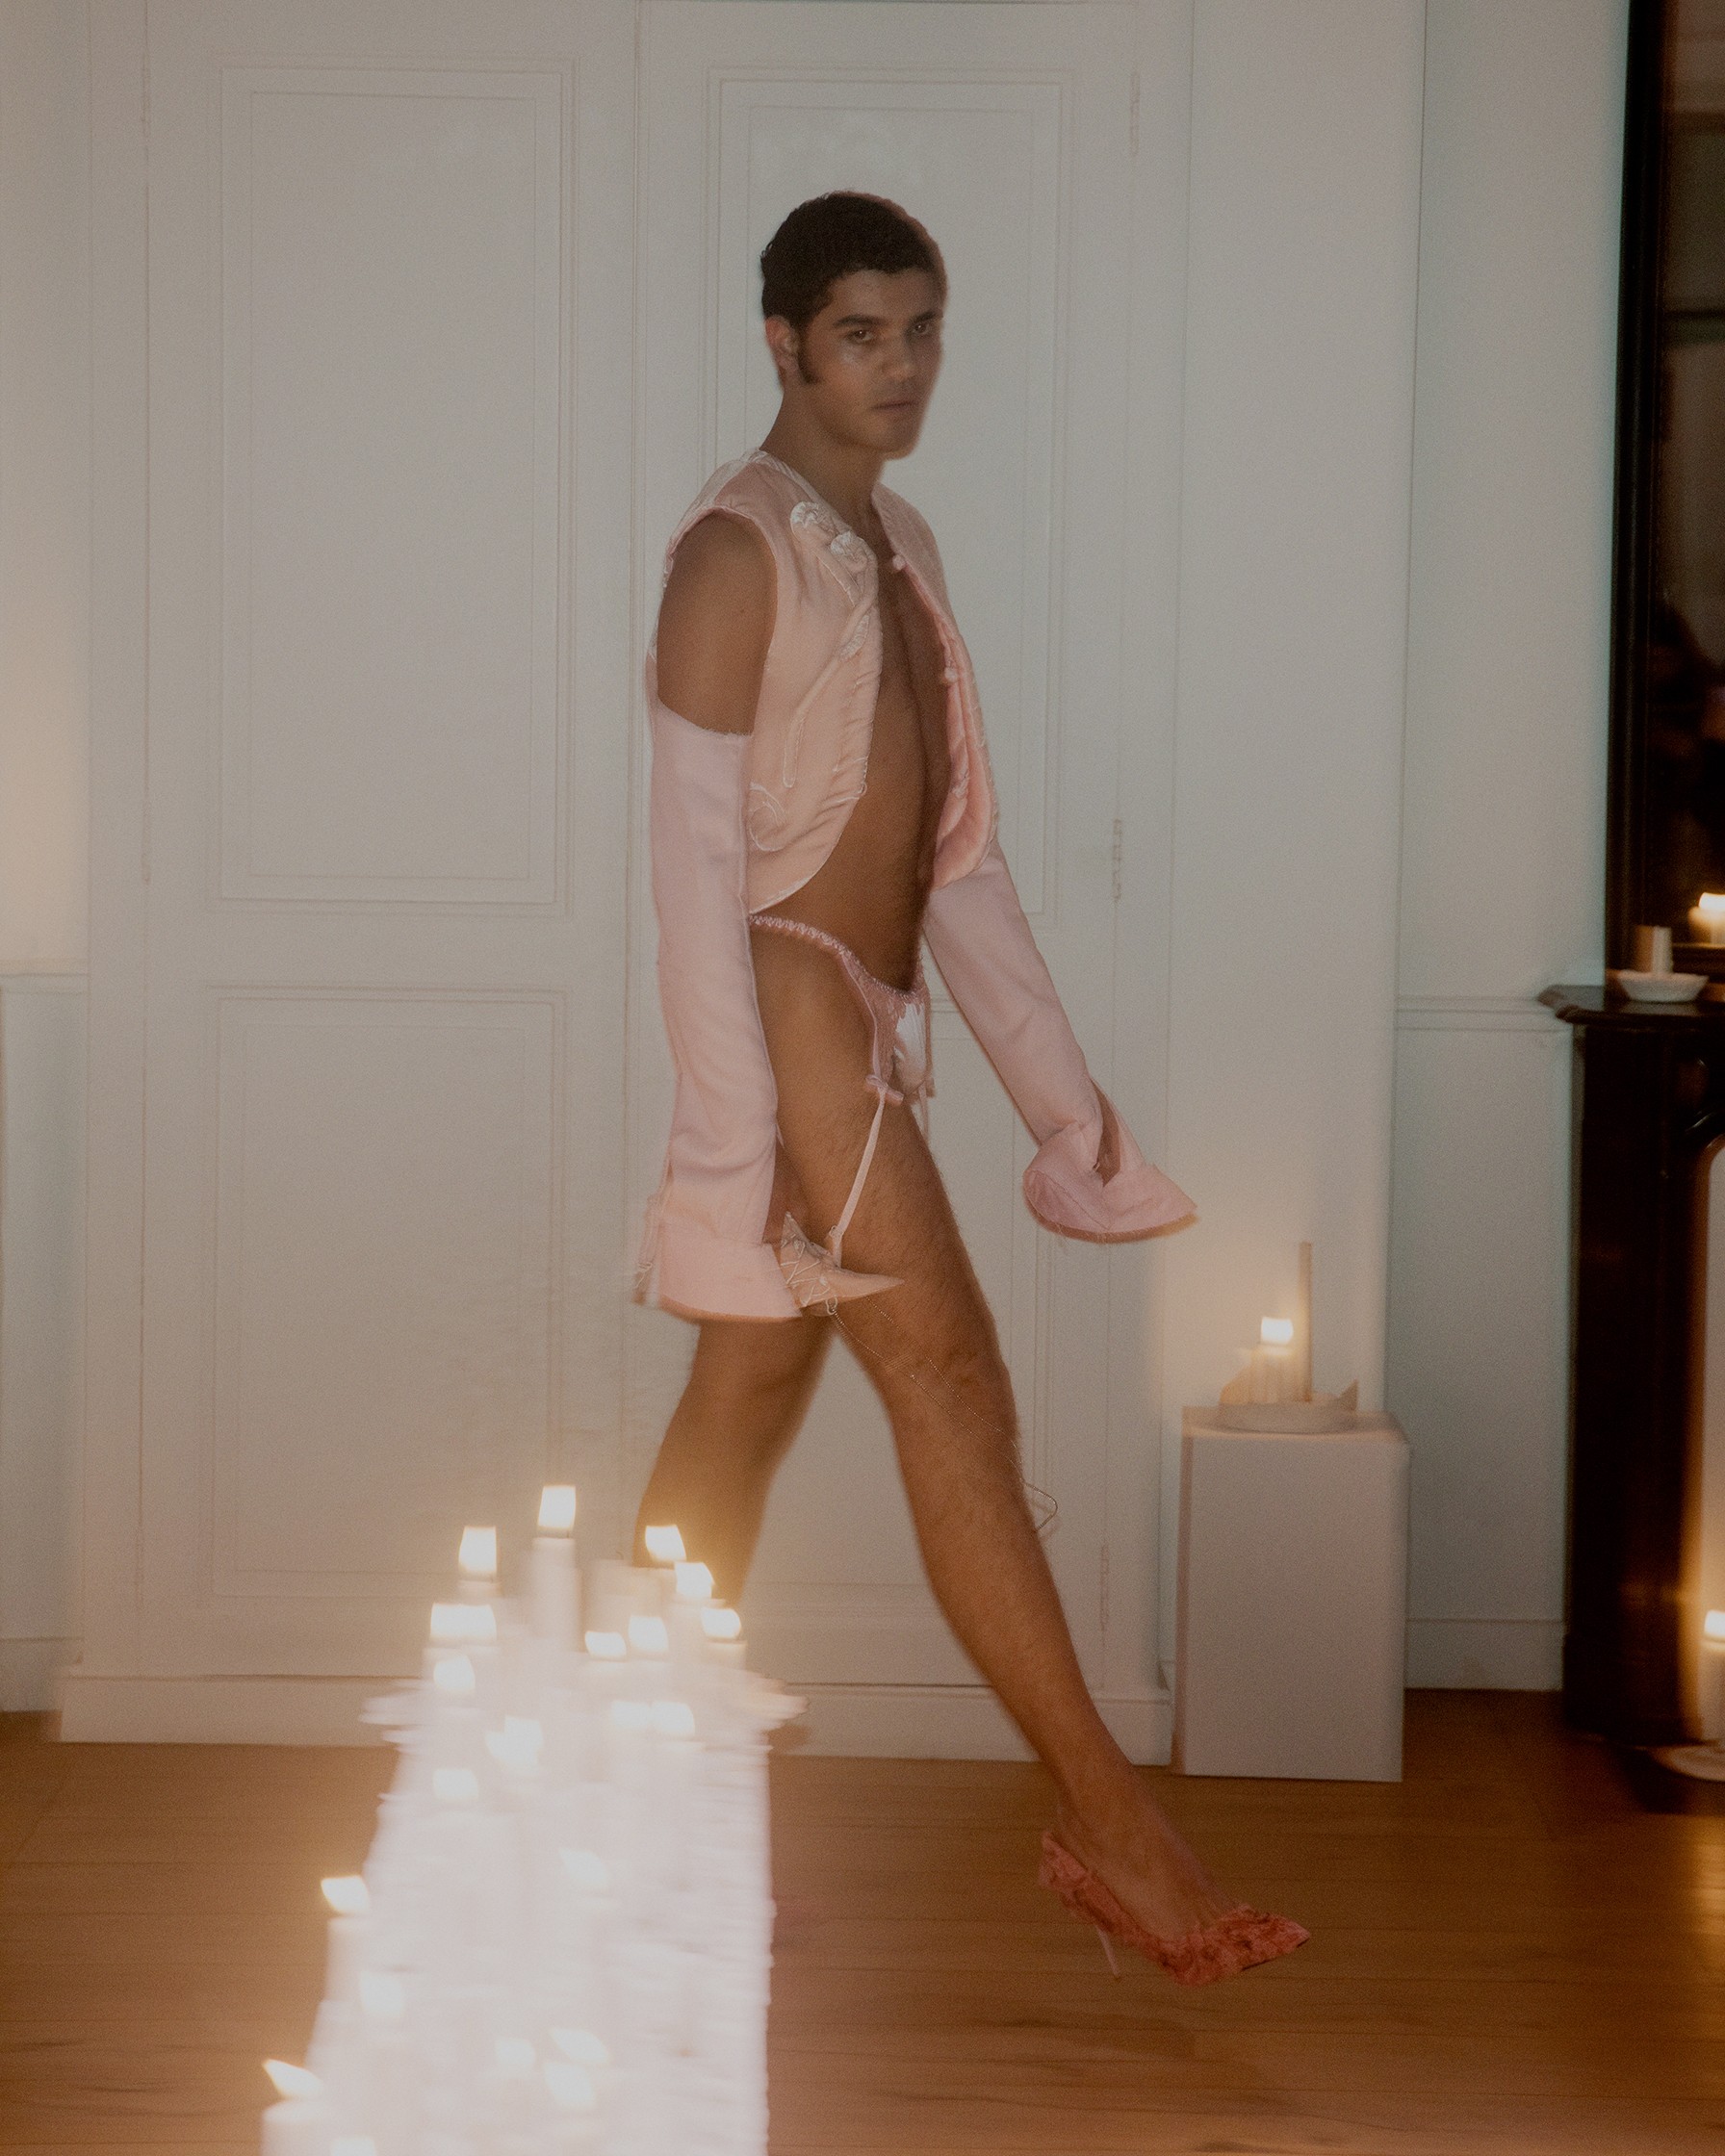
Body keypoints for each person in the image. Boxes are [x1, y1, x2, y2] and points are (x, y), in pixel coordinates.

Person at [631, 192, 1307, 1986]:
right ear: (785, 344)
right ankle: (1111, 1826)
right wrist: (731, 1160)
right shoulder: (734, 554)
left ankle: (631, 1829)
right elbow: (695, 888)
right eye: (863, 334)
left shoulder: (899, 539)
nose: (904, 366)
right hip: (791, 1009)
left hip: (861, 1013)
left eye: (921, 329)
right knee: (953, 1386)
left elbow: (959, 862)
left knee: (736, 1413)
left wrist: (1066, 1108)